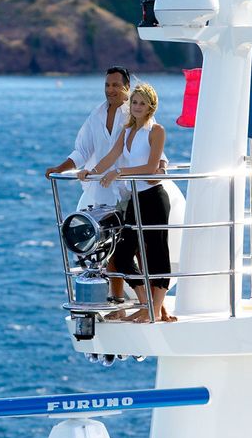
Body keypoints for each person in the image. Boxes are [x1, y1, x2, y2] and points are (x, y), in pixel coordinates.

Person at [45, 67, 167, 308]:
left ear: (126, 86)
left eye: (115, 85)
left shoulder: (136, 111)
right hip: (103, 189)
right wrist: (64, 167)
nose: (110, 90)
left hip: (129, 192)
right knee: (109, 247)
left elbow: (155, 150)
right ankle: (118, 298)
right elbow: (85, 150)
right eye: (107, 85)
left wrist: (159, 169)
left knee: (142, 250)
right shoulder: (97, 114)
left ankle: (154, 304)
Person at [79, 83, 175, 323]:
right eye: (134, 102)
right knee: (121, 256)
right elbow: (111, 156)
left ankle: (154, 309)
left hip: (154, 199)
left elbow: (152, 168)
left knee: (157, 256)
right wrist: (90, 171)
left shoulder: (156, 131)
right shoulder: (126, 130)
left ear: (151, 106)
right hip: (136, 200)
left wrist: (119, 172)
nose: (137, 107)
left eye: (142, 103)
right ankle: (146, 305)